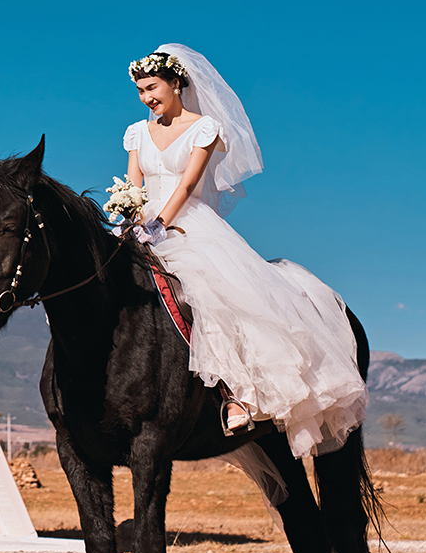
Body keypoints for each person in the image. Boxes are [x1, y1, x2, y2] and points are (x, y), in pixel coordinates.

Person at [121, 44, 367, 459]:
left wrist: (160, 225)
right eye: (141, 91)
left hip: (186, 224)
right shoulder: (136, 133)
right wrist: (131, 219)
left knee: (212, 291)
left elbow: (187, 184)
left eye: (153, 88)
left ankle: (237, 394)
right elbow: (133, 185)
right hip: (141, 225)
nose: (147, 98)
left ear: (176, 83)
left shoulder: (204, 129)